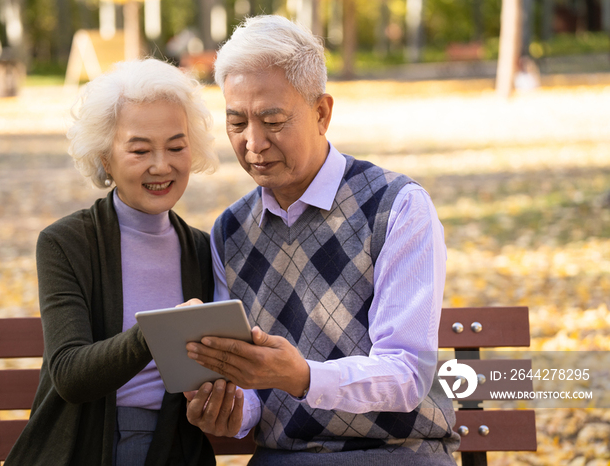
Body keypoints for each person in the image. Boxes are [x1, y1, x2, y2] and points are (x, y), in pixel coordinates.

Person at [183, 15, 460, 465]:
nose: (253, 142)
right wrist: (229, 411)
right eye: (237, 122)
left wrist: (304, 377)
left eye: (272, 119)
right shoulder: (230, 232)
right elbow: (253, 396)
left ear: (321, 113)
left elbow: (407, 375)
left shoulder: (397, 207)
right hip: (285, 458)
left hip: (398, 452)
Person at [5, 58, 222, 466]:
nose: (162, 165)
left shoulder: (200, 249)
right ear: (106, 158)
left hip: (172, 448)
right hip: (81, 448)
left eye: (176, 146)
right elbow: (69, 374)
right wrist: (160, 331)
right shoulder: (66, 243)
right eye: (140, 150)